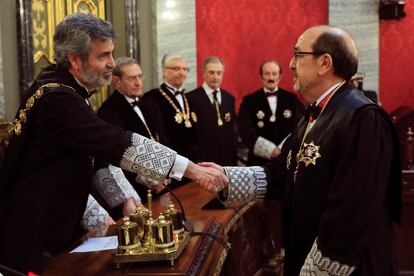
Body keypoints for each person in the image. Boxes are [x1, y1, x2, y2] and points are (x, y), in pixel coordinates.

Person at [0, 13, 227, 274]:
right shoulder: (57, 98)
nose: (111, 63)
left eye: (111, 54)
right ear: (74, 58)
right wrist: (192, 170)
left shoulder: (66, 88)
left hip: (51, 228)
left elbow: (94, 158)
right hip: (32, 236)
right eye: (103, 55)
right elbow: (115, 142)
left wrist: (124, 201)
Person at [200, 25, 402, 275]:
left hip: (348, 266)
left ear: (324, 63)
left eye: (298, 54)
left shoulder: (362, 118)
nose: (291, 64)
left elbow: (349, 212)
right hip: (306, 249)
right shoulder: (316, 114)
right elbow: (281, 173)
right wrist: (225, 179)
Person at [97, 57, 161, 201]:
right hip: (136, 190)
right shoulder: (108, 111)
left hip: (162, 181)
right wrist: (154, 180)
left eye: (140, 76)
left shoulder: (146, 103)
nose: (138, 82)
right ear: (117, 81)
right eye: (132, 78)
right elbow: (121, 154)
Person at [238, 60, 304, 166]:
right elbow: (245, 130)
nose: (271, 78)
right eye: (267, 74)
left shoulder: (292, 100)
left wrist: (283, 148)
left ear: (280, 76)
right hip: (257, 162)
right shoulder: (249, 101)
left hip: (286, 161)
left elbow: (300, 126)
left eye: (274, 74)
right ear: (261, 76)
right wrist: (269, 150)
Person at [140, 54, 198, 160]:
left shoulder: (188, 98)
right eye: (176, 68)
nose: (182, 72)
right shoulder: (152, 98)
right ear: (164, 71)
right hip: (168, 159)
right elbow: (155, 134)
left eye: (185, 69)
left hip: (192, 161)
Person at [187, 56, 237, 166]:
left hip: (227, 162)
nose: (215, 77)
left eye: (219, 73)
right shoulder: (191, 98)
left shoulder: (229, 98)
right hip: (203, 161)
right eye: (211, 72)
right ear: (204, 73)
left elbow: (233, 132)